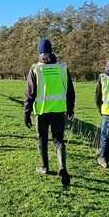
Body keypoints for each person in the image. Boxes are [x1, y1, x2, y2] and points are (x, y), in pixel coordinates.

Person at [24, 38, 75, 186]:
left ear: (39, 52)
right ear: (51, 51)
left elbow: (29, 93)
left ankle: (44, 167)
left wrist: (26, 112)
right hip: (59, 109)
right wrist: (70, 107)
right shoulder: (62, 68)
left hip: (42, 111)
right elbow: (70, 90)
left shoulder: (35, 68)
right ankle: (62, 167)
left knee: (42, 139)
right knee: (58, 140)